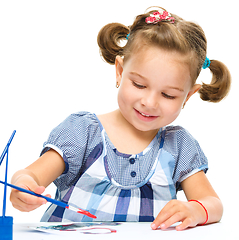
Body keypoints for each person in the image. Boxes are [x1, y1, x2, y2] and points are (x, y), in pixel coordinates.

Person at [10, 7, 231, 231]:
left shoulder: (179, 147)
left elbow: (213, 204)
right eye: (139, 85)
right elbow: (31, 174)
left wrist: (195, 209)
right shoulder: (83, 133)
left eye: (168, 95)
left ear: (188, 96)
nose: (150, 102)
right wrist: (23, 186)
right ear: (119, 71)